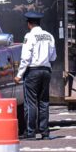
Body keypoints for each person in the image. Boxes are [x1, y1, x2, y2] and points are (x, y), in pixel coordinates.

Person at [14, 11, 56, 140]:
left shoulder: (29, 36)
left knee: (30, 102)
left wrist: (19, 74)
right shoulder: (49, 36)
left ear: (29, 24)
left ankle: (30, 132)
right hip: (46, 70)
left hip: (33, 71)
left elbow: (26, 57)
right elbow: (53, 56)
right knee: (44, 102)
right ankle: (44, 132)